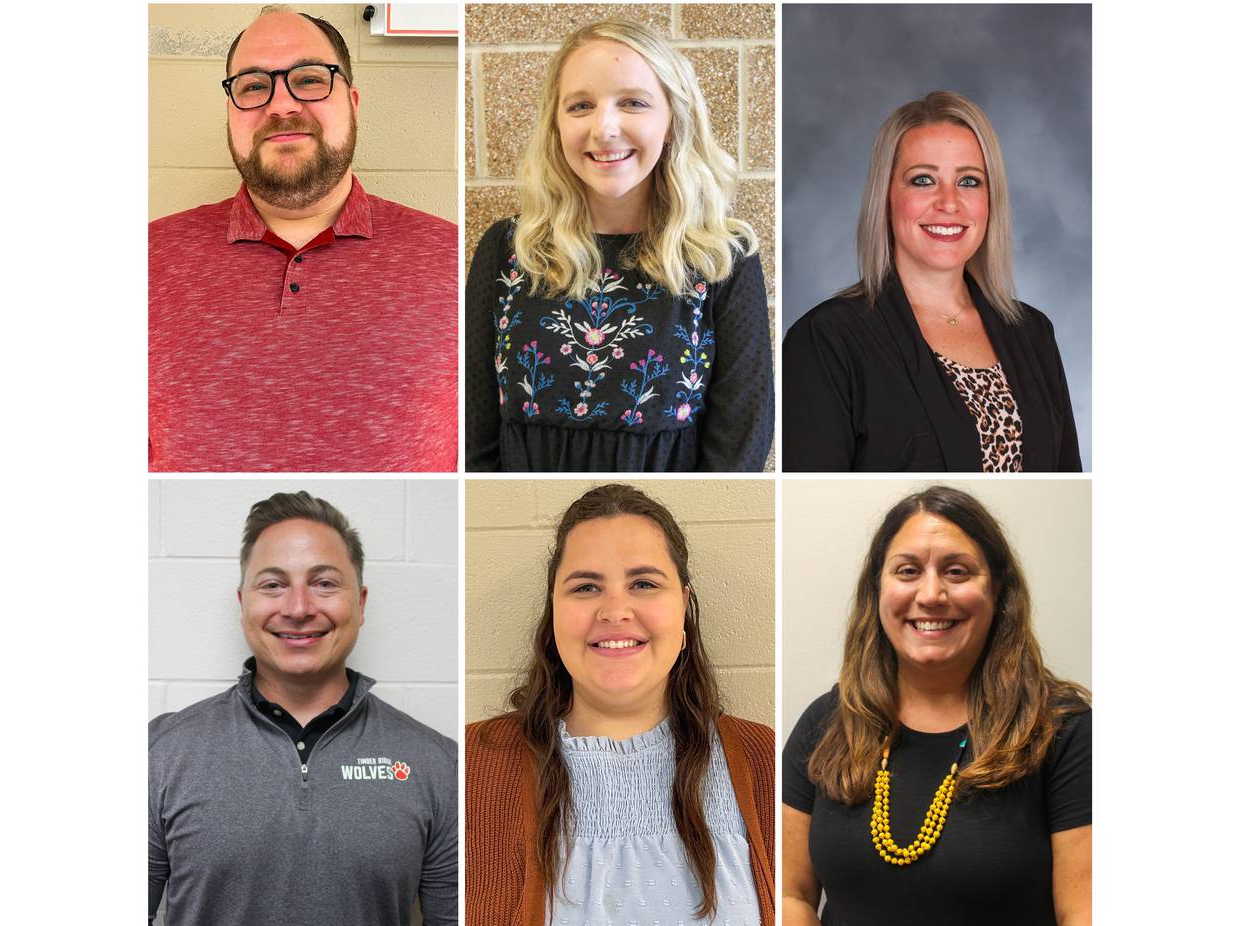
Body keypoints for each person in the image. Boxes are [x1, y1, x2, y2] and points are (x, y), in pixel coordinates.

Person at [148, 6, 457, 472]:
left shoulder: (452, 260)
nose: (281, 104)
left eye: (310, 79)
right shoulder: (145, 260)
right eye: (253, 86)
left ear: (352, 102)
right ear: (230, 114)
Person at [465, 20, 773, 472]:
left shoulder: (721, 256)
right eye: (580, 106)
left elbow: (741, 440)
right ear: (556, 124)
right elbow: (473, 427)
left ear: (672, 121)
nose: (604, 128)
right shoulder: (509, 249)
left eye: (633, 103)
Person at [465, 484, 775, 924]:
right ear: (553, 611)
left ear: (683, 608)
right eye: (587, 587)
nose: (615, 610)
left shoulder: (763, 760)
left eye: (644, 583)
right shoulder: (472, 764)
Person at [782, 485, 1091, 925]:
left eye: (958, 572)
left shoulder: (1065, 731)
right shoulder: (826, 722)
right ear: (877, 588)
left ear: (998, 590)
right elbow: (790, 894)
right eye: (907, 571)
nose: (930, 594)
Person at [149, 492, 457, 926]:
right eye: (273, 584)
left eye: (325, 583)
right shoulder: (160, 752)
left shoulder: (437, 763)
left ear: (361, 603)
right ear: (243, 604)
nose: (298, 608)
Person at [783, 91, 1081, 472]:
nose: (949, 202)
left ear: (991, 200)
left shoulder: (1033, 334)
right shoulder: (826, 341)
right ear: (886, 197)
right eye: (923, 180)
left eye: (970, 181)